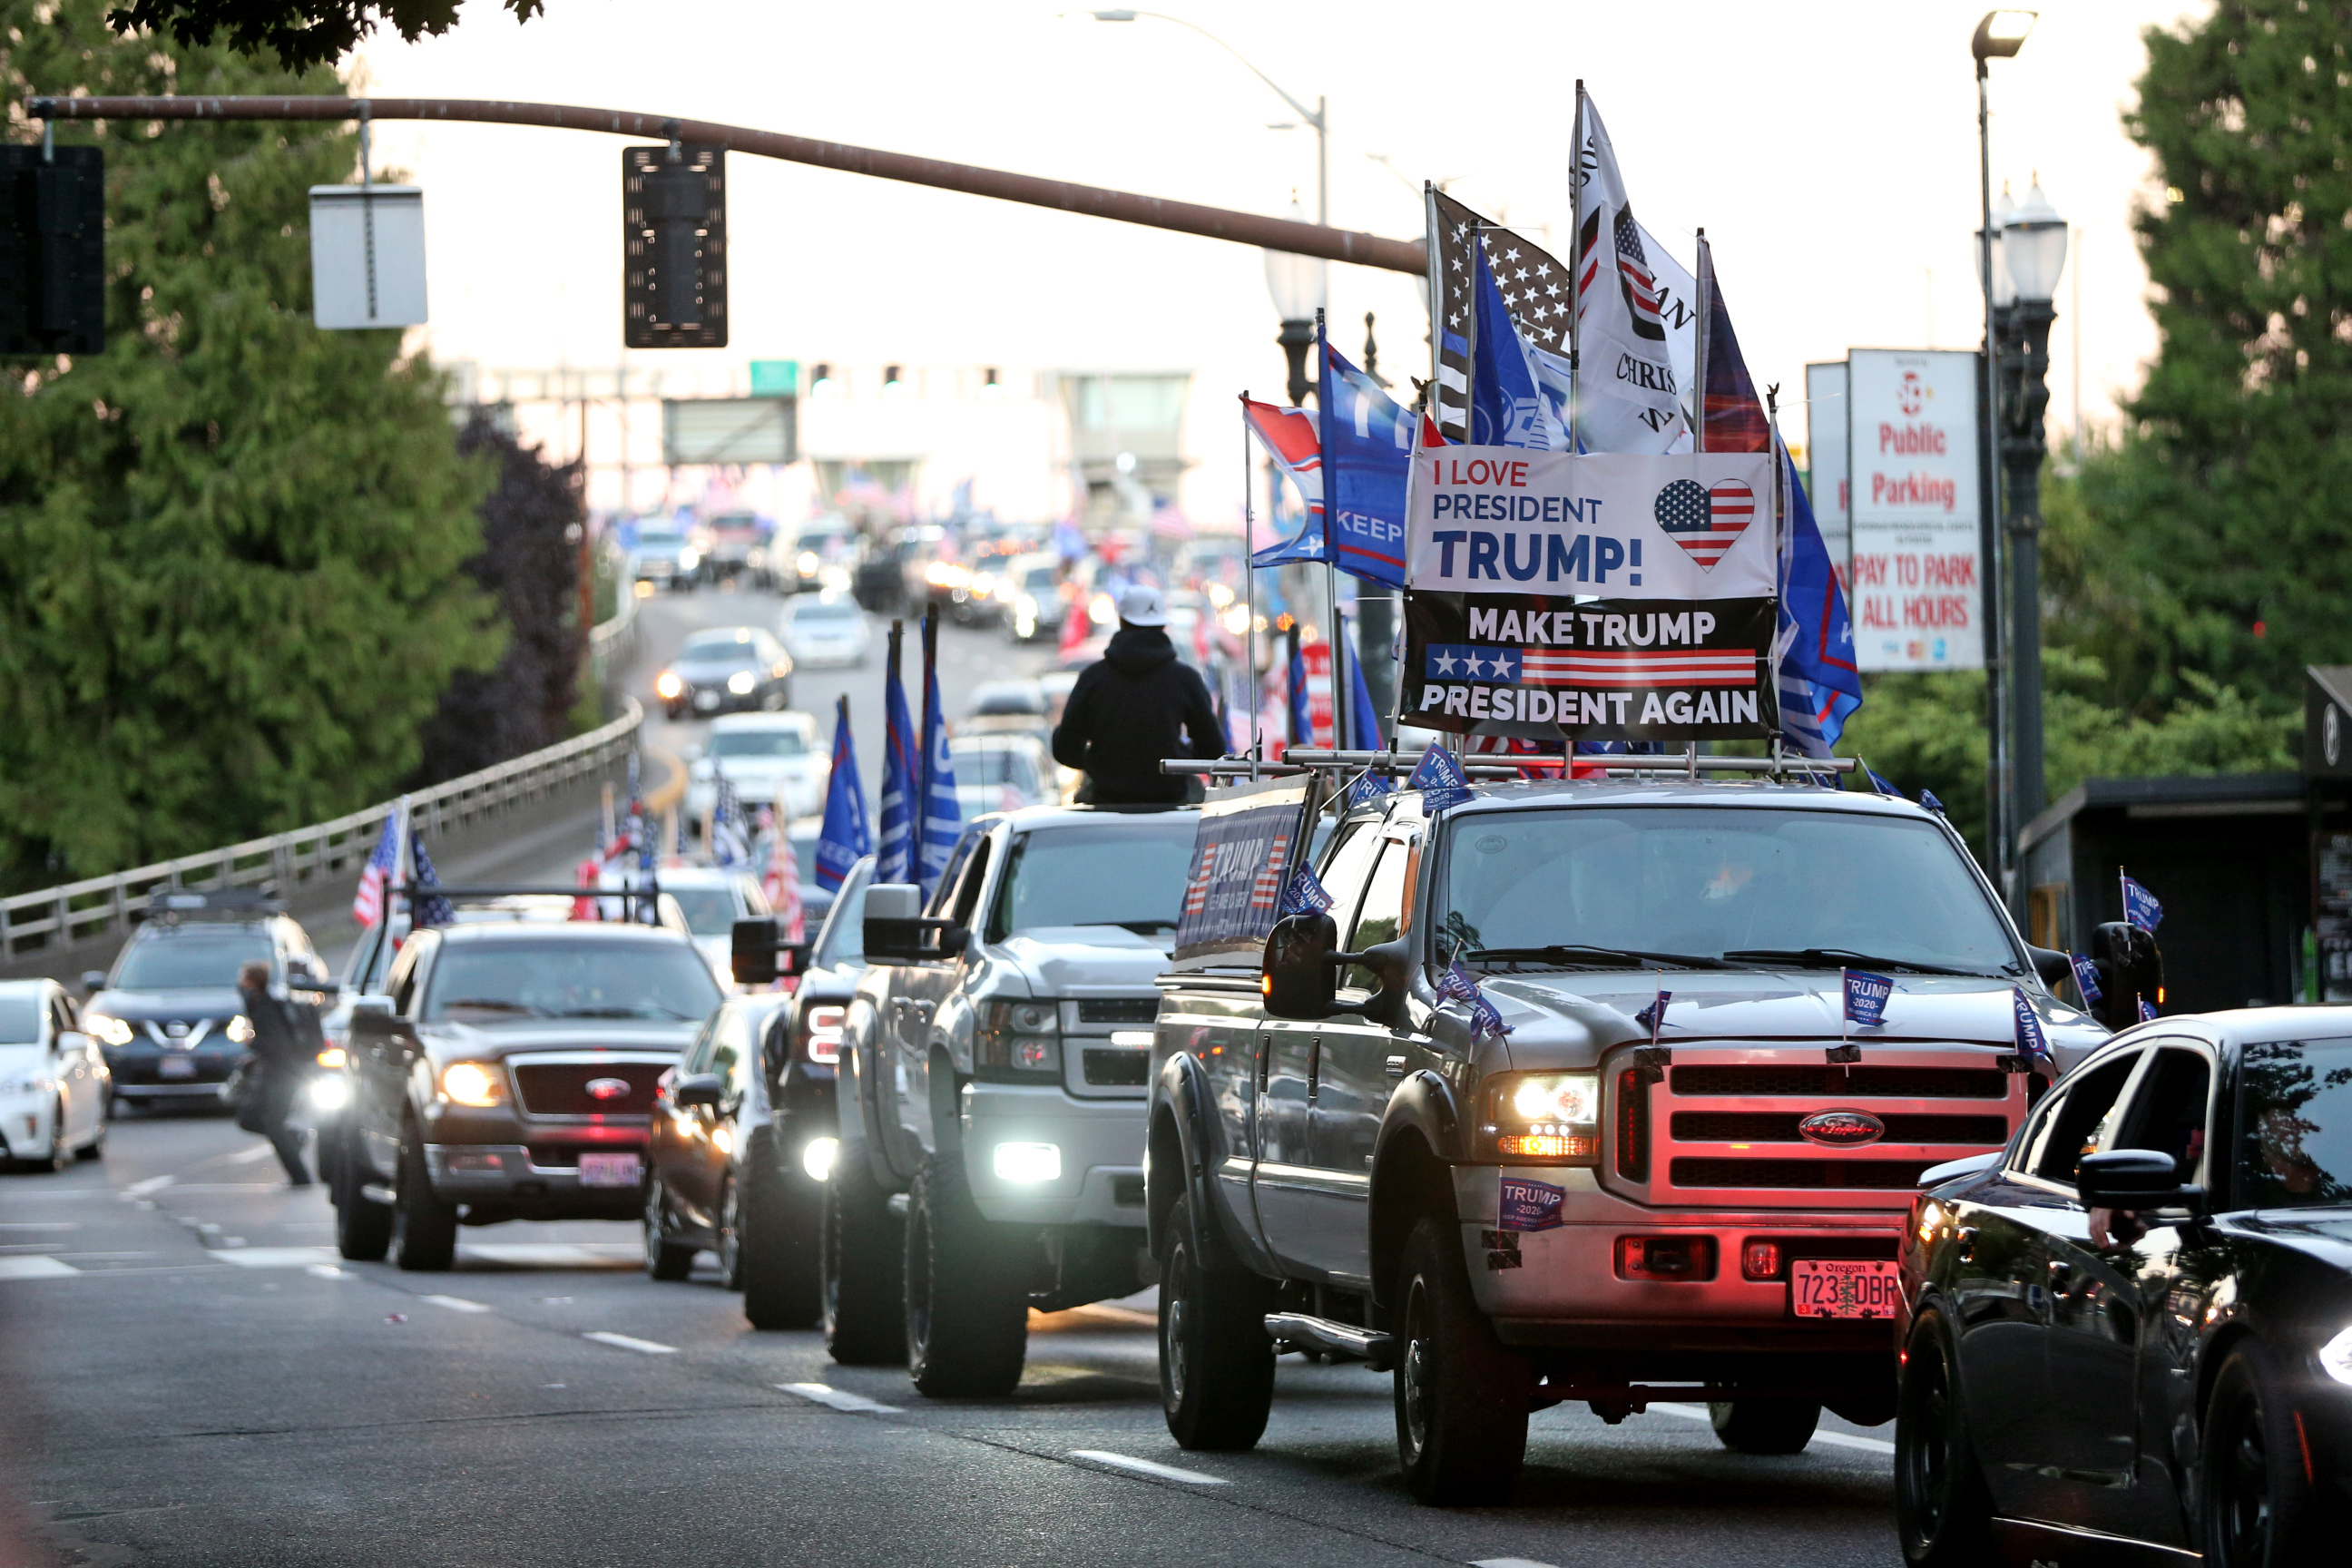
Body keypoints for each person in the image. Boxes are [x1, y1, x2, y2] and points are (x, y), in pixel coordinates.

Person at [1051, 583, 1224, 805]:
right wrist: (1175, 757)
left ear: (1121, 621)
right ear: (1162, 624)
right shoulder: (1185, 679)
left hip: (1105, 798)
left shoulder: (1092, 678)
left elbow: (1065, 749)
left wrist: (1102, 762)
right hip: (1172, 797)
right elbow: (1213, 750)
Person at [236, 960, 311, 1186]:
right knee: (249, 1118)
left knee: (274, 1125)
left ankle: (301, 1177)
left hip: (284, 1075)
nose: (239, 985)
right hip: (275, 1074)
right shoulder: (258, 1004)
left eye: (243, 979)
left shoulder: (267, 1007)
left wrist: (252, 1041)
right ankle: (294, 1139)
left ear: (251, 982)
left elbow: (277, 1044)